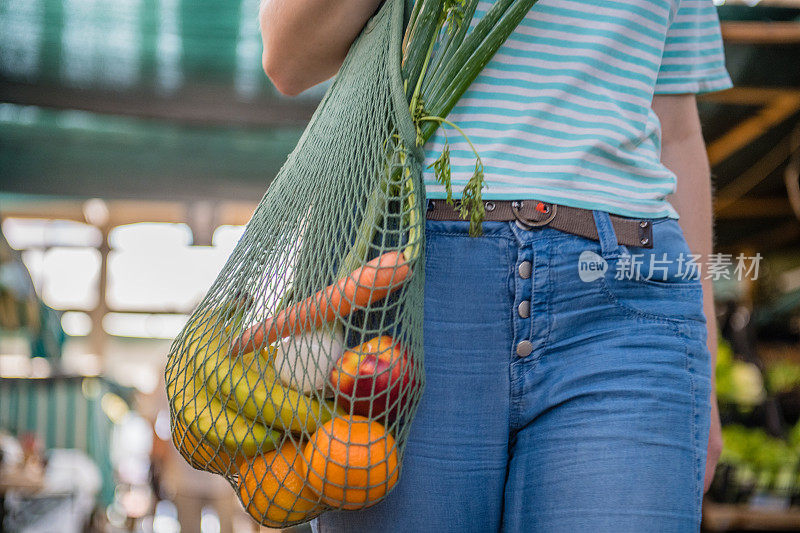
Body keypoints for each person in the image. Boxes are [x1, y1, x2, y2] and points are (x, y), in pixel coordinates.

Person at [259, 0, 732, 530]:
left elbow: (677, 128)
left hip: (626, 300)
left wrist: (705, 358)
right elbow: (288, 58)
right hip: (415, 299)